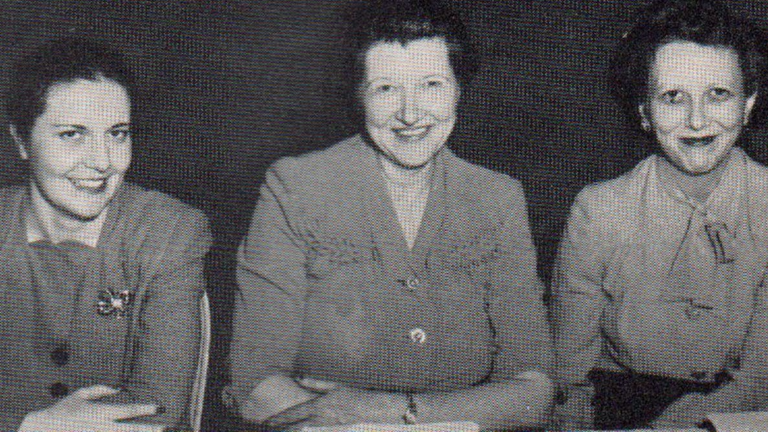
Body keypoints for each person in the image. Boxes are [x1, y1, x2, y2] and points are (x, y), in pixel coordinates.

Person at [225, 0, 554, 430]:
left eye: (431, 84)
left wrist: (396, 413)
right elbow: (254, 382)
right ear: (358, 95)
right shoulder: (296, 186)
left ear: (459, 89)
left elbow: (534, 392)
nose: (411, 114)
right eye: (386, 88)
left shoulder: (497, 198)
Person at [551, 0, 768, 429]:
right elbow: (568, 375)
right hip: (616, 404)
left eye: (718, 95)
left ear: (748, 104)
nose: (696, 119)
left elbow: (759, 376)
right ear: (644, 113)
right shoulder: (598, 210)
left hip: (743, 409)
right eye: (673, 98)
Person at [0, 37, 212, 431]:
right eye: (72, 134)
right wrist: (28, 425)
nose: (102, 161)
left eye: (117, 133)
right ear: (22, 141)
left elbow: (160, 406)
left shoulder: (170, 231)